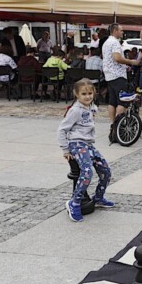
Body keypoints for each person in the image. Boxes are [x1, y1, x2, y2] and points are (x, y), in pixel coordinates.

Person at [57, 78, 115, 222]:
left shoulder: (91, 107)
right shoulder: (75, 110)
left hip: (88, 145)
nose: (87, 96)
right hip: (76, 144)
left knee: (105, 170)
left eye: (90, 93)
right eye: (84, 94)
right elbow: (62, 130)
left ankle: (99, 197)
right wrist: (65, 150)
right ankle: (74, 203)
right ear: (76, 94)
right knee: (87, 171)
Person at [102, 23, 140, 124]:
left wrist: (124, 66)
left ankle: (113, 124)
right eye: (121, 30)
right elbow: (117, 58)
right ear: (115, 31)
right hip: (117, 75)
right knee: (123, 101)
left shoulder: (106, 42)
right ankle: (119, 125)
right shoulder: (114, 43)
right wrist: (131, 62)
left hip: (109, 75)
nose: (123, 32)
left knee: (112, 101)